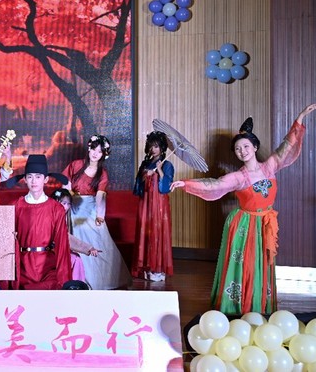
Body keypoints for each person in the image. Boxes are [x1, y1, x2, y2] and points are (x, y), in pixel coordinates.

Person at [171, 104, 316, 315]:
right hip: (244, 226)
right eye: (238, 149)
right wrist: (185, 184)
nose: (242, 151)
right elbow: (213, 185)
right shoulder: (238, 177)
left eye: (246, 146)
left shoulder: (270, 166)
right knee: (245, 265)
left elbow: (288, 145)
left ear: (255, 147)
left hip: (265, 223)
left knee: (262, 263)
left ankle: (260, 306)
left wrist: (300, 118)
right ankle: (238, 307)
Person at [62, 134, 131, 290]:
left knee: (98, 241)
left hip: (90, 208)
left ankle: (100, 279)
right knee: (76, 241)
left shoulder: (102, 173)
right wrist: (68, 199)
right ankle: (79, 277)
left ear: (103, 154)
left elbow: (100, 195)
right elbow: (65, 184)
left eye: (99, 151)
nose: (95, 153)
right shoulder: (76, 165)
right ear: (89, 148)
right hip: (73, 206)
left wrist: (100, 215)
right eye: (94, 149)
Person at [7, 155, 72, 290]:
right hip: (22, 266)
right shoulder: (16, 206)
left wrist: (64, 280)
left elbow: (62, 245)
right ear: (25, 179)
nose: (34, 181)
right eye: (30, 176)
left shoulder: (56, 208)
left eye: (38, 177)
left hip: (47, 268)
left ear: (46, 179)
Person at [132, 131, 174, 282]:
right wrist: (145, 175)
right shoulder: (145, 164)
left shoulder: (167, 164)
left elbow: (167, 187)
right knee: (145, 231)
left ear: (162, 147)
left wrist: (159, 171)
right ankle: (145, 266)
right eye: (151, 146)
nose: (153, 149)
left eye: (156, 146)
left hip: (159, 204)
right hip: (146, 202)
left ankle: (158, 268)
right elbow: (139, 184)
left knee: (158, 231)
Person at [53, 189, 99, 282]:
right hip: (46, 251)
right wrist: (88, 248)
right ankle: (73, 286)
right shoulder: (52, 216)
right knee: (74, 259)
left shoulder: (62, 216)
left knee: (75, 257)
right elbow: (65, 237)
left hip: (55, 249)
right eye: (63, 203)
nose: (66, 207)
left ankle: (75, 286)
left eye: (68, 204)